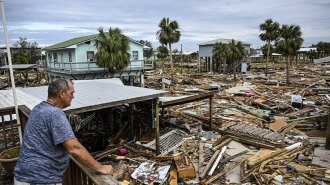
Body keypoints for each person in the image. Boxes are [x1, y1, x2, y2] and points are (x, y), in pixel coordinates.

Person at [14, 79, 113, 184]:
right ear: (61, 93)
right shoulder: (55, 114)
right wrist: (100, 167)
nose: (73, 97)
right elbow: (74, 148)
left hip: (23, 176)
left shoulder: (38, 109)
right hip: (40, 180)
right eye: (71, 93)